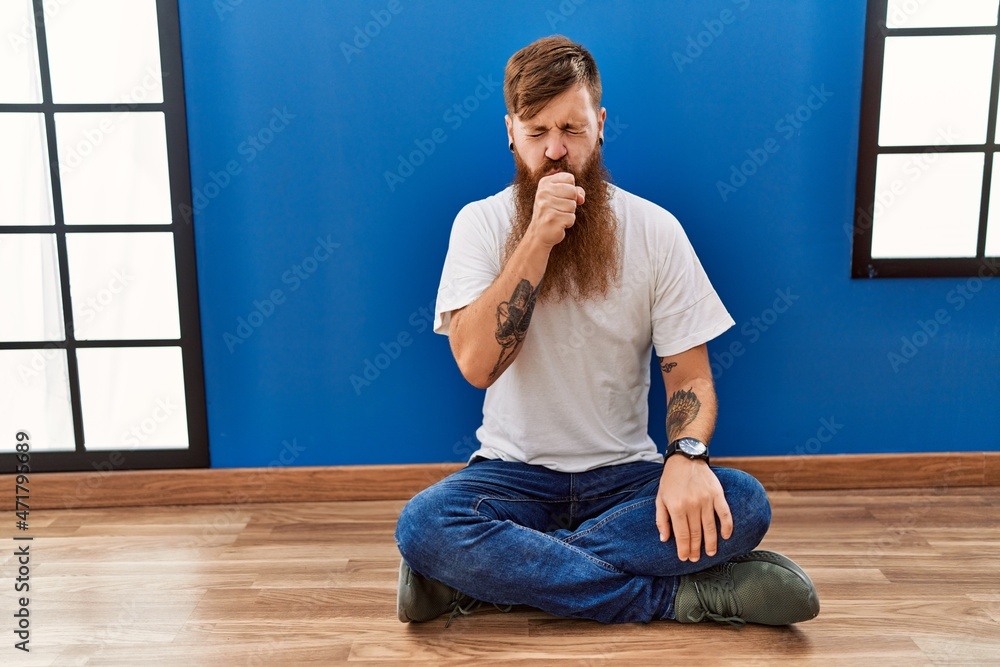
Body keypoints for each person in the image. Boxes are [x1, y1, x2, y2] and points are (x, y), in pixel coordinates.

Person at [394, 35, 819, 627]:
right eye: (536, 132)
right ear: (510, 132)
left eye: (571, 129)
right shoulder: (481, 224)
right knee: (425, 525)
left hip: (625, 481)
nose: (555, 151)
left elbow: (689, 375)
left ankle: (490, 582)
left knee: (744, 501)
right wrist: (536, 241)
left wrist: (687, 458)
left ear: (600, 124)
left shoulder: (655, 230)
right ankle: (682, 597)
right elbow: (476, 366)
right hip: (510, 476)